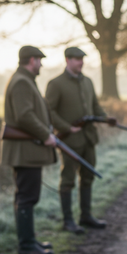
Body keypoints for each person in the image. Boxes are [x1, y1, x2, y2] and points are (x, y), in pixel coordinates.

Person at [45, 47, 115, 234]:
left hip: (89, 139)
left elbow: (95, 106)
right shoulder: (56, 84)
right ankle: (68, 221)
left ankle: (86, 216)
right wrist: (67, 127)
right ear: (67, 60)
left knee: (88, 177)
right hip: (68, 141)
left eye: (82, 59)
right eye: (77, 59)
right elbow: (49, 111)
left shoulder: (88, 82)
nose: (81, 62)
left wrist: (104, 118)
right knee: (67, 180)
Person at [0, 46, 57, 254]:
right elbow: (24, 116)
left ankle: (30, 242)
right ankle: (26, 247)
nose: (41, 64)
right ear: (32, 60)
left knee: (27, 197)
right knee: (26, 197)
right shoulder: (22, 82)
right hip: (25, 153)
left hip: (27, 152)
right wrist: (45, 135)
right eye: (40, 60)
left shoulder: (23, 80)